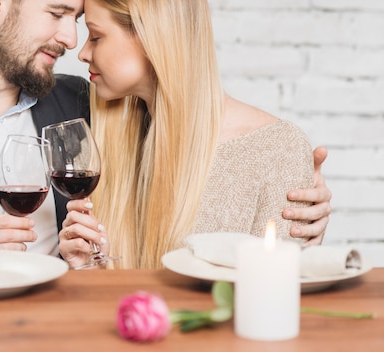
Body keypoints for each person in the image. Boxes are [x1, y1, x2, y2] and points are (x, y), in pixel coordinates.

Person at [0, 0, 329, 271]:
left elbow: (200, 135)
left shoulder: (93, 102)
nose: (71, 38)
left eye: (79, 20)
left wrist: (297, 192)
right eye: (56, 12)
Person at [58, 0, 332, 269]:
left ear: (150, 35)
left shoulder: (277, 150)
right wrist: (88, 269)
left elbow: (278, 293)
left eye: (95, 36)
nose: (82, 52)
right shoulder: (100, 143)